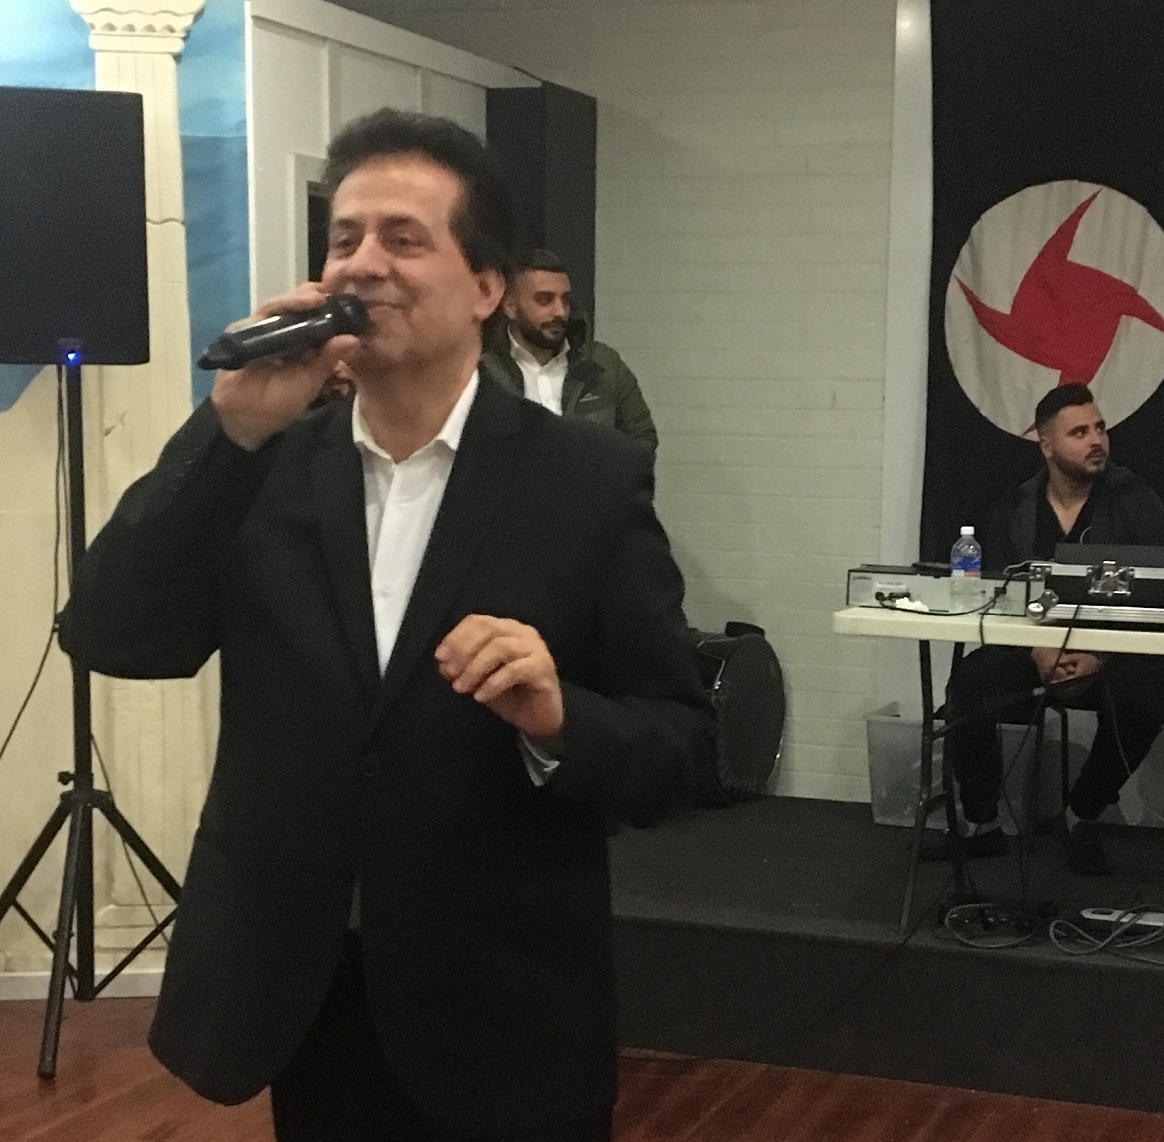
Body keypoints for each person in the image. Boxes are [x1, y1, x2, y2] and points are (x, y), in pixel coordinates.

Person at [58, 109, 715, 1142]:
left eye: (404, 239)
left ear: (487, 288)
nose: (364, 263)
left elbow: (682, 744)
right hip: (304, 992)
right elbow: (111, 632)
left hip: (500, 1006)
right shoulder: (262, 465)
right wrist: (228, 429)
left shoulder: (586, 482)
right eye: (344, 239)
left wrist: (559, 718)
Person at [923, 383, 1164, 875]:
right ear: (1046, 445)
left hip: (1111, 654)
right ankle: (982, 822)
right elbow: (1001, 595)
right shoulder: (1017, 507)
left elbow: (1160, 595)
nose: (1096, 440)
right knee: (968, 685)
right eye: (1079, 432)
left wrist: (1099, 656)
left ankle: (1080, 814)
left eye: (1099, 428)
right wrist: (1038, 650)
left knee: (1150, 685)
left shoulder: (1135, 501)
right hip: (1034, 650)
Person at [481, 249, 658, 451]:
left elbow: (642, 441)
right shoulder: (483, 370)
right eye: (545, 300)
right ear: (510, 307)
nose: (560, 312)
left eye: (565, 300)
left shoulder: (603, 364)